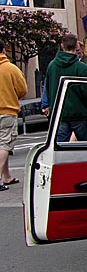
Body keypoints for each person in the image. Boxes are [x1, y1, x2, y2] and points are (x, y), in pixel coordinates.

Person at [43, 33, 87, 142]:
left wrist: (48, 105)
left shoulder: (52, 66)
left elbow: (47, 88)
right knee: (85, 147)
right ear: (76, 46)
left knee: (60, 149)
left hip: (59, 113)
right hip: (79, 113)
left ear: (62, 45)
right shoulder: (81, 68)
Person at [0, 38, 27, 190]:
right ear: (4, 50)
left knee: (1, 145)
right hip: (6, 110)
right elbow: (23, 89)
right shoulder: (10, 68)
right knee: (5, 144)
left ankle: (7, 176)